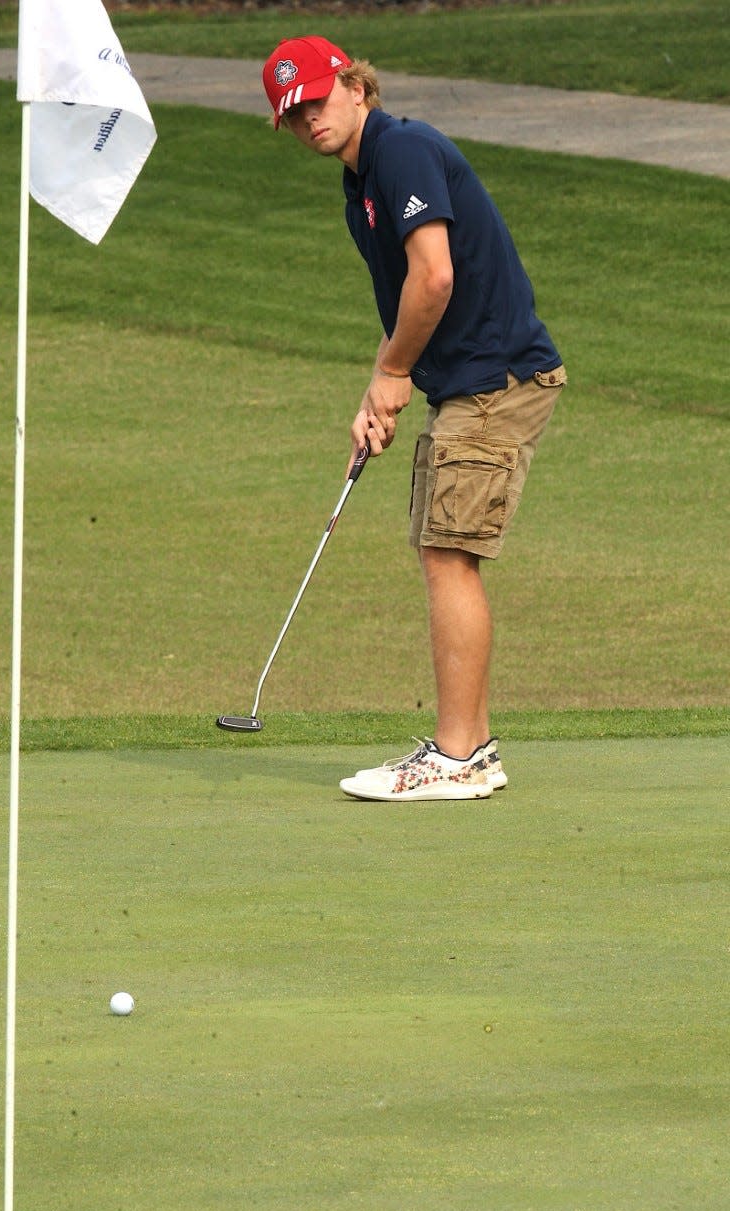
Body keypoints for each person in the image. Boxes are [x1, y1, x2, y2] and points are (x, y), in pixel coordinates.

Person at [262, 35, 567, 802]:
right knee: (445, 549)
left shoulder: (401, 151)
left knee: (447, 555)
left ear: (357, 87)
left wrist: (395, 372)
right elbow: (410, 300)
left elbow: (435, 275)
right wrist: (381, 386)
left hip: (495, 379)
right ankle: (474, 752)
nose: (308, 123)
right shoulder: (360, 185)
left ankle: (458, 755)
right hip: (465, 382)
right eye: (292, 116)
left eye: (318, 102)